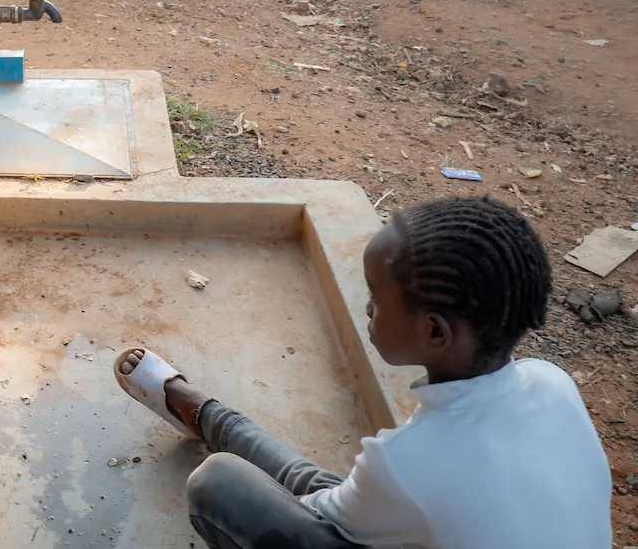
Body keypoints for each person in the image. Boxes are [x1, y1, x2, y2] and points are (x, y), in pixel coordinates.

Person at [115, 196, 613, 549]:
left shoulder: (411, 460)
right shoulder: (552, 382)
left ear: (435, 333)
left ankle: (207, 416)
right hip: (408, 494)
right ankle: (207, 415)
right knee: (342, 491)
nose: (367, 309)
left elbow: (313, 508)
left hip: (394, 484)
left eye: (376, 298)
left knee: (221, 485)